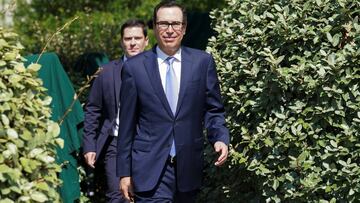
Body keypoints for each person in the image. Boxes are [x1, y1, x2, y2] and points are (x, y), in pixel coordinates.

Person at [116, 1, 230, 202]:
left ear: (184, 28)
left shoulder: (202, 62)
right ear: (154, 26)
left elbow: (214, 109)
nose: (170, 30)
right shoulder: (135, 68)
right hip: (148, 170)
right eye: (163, 24)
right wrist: (124, 172)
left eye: (175, 24)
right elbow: (127, 125)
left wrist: (219, 137)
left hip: (188, 167)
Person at [83, 19, 149, 202]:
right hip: (116, 143)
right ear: (122, 42)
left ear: (146, 41)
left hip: (149, 143)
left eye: (137, 38)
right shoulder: (106, 72)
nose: (133, 42)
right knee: (118, 195)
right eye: (128, 38)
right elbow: (93, 109)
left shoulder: (159, 69)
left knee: (148, 194)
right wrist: (89, 145)